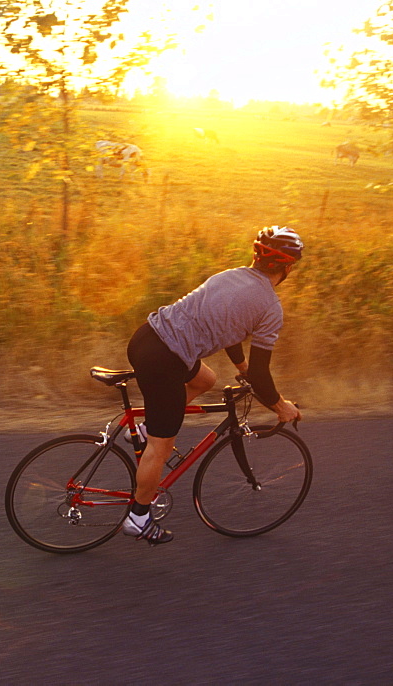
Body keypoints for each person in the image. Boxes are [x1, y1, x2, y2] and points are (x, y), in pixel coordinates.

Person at [123, 226, 305, 545]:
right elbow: (263, 375)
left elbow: (231, 331)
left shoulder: (230, 275)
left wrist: (242, 368)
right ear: (288, 267)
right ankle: (138, 517)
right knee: (161, 446)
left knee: (205, 379)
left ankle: (146, 427)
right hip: (166, 359)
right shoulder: (270, 308)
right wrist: (281, 407)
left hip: (146, 338)